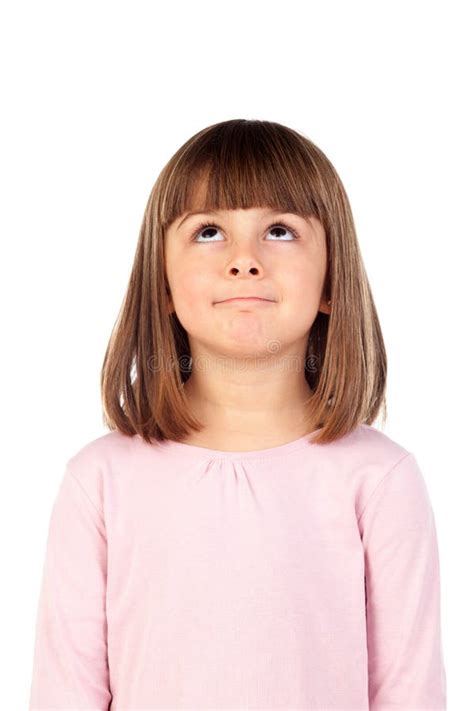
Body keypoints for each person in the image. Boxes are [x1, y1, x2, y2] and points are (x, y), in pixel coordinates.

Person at [28, 119, 447, 710]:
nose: (244, 260)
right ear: (163, 284)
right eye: (207, 232)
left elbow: (409, 691)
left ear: (331, 281)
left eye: (279, 230)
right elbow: (64, 692)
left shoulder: (379, 479)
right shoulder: (99, 482)